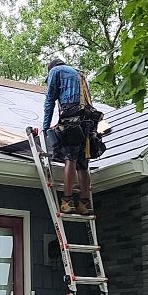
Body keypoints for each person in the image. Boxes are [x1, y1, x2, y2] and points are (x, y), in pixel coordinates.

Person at [42, 57, 101, 216]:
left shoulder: (56, 71)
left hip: (72, 120)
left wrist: (45, 127)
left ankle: (67, 201)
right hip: (88, 121)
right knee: (83, 163)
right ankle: (84, 204)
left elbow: (50, 101)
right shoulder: (79, 74)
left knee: (70, 158)